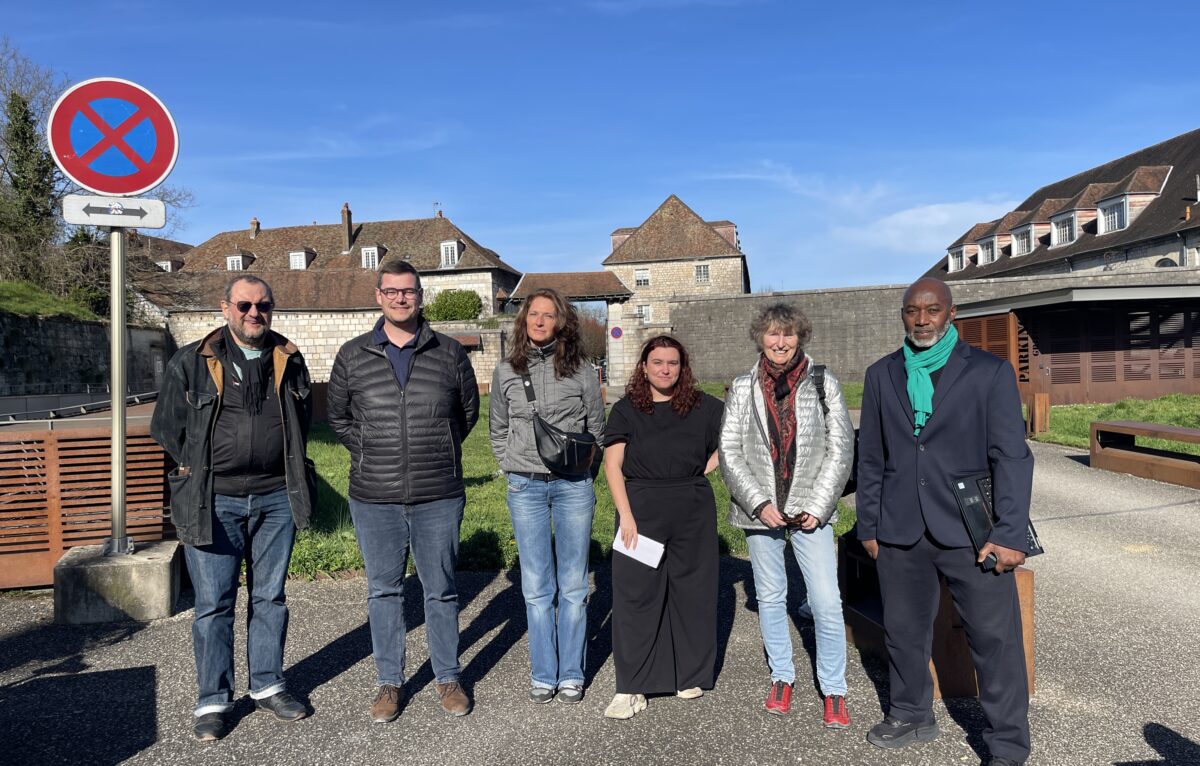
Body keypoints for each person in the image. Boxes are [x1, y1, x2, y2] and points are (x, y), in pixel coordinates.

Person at [856, 277, 1034, 766]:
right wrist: (868, 526)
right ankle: (912, 712)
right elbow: (871, 457)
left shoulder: (989, 372)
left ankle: (1008, 744)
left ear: (951, 314)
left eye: (931, 310)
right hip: (899, 531)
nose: (921, 319)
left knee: (994, 640)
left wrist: (1010, 533)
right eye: (911, 311)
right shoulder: (881, 375)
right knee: (903, 631)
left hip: (972, 530)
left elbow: (1012, 459)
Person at [151, 275, 316, 742]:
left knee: (270, 597)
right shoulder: (192, 360)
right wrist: (201, 465)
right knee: (213, 603)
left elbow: (301, 422)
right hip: (213, 499)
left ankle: (267, 685)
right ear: (225, 308)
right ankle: (213, 699)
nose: (253, 313)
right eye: (244, 304)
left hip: (275, 498)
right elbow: (167, 428)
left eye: (263, 305)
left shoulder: (289, 358)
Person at [326, 259, 480, 723]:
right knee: (384, 592)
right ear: (378, 295)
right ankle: (389, 683)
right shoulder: (352, 355)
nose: (400, 298)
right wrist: (372, 450)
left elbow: (466, 414)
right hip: (374, 494)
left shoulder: (449, 352)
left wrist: (435, 448)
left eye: (408, 291)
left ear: (419, 296)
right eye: (391, 291)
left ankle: (448, 677)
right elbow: (338, 418)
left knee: (441, 589)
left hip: (438, 492)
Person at [719, 303, 854, 727]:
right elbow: (730, 451)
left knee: (827, 602)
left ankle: (833, 687)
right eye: (773, 335)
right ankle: (782, 675)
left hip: (810, 511)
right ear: (761, 337)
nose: (780, 343)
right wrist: (759, 503)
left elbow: (841, 448)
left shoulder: (822, 382)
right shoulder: (742, 388)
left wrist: (817, 506)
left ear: (801, 338)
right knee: (772, 597)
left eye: (789, 335)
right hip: (761, 512)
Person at [489, 288, 605, 704]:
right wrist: (511, 465)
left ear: (562, 322)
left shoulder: (582, 371)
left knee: (573, 585)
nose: (539, 321)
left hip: (573, 485)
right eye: (533, 314)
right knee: (537, 585)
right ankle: (543, 673)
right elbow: (497, 428)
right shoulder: (505, 371)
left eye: (548, 315)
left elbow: (598, 429)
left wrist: (584, 471)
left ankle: (571, 672)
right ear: (523, 321)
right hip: (525, 486)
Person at [603, 335, 724, 720]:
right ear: (644, 366)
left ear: (682, 367)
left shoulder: (704, 408)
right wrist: (625, 515)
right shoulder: (626, 410)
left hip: (692, 508)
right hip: (640, 509)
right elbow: (612, 466)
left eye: (672, 363)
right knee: (636, 596)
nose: (665, 369)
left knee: (693, 591)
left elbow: (734, 438)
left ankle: (688, 674)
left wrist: (706, 467)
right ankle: (632, 686)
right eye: (657, 362)